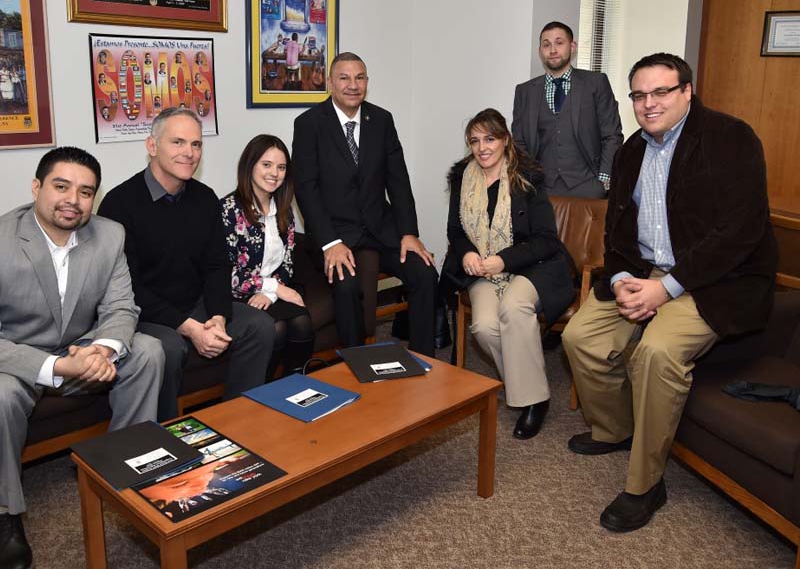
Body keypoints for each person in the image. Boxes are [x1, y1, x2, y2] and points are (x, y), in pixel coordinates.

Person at [561, 53, 777, 532]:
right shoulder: (631, 151)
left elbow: (740, 231)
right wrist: (620, 281)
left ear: (687, 91)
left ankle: (645, 484)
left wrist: (666, 290)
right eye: (639, 95)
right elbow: (615, 232)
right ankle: (617, 430)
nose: (648, 103)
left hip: (715, 280)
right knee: (581, 338)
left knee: (656, 353)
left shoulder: (730, 139)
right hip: (643, 271)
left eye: (661, 92)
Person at [0, 147, 163, 569]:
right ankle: (4, 514)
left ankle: (121, 473)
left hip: (75, 349)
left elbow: (121, 309)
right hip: (0, 357)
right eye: (61, 186)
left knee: (149, 350)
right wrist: (60, 367)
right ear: (37, 187)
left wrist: (102, 349)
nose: (72, 200)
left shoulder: (109, 235)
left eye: (85, 192)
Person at [99, 107, 274, 421]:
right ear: (152, 146)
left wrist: (219, 317)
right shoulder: (119, 203)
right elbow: (128, 287)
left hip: (196, 304)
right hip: (145, 313)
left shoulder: (204, 198)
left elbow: (217, 266)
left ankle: (239, 421)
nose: (189, 153)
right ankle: (165, 436)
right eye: (178, 142)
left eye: (196, 144)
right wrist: (190, 329)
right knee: (168, 349)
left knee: (258, 326)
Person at [292, 52, 438, 355]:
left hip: (381, 230)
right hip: (337, 235)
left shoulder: (382, 120)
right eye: (344, 78)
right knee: (347, 288)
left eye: (359, 77)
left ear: (367, 83)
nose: (352, 85)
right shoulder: (309, 124)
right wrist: (329, 242)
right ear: (330, 82)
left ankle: (426, 361)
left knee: (425, 274)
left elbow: (398, 180)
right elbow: (306, 190)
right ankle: (356, 366)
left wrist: (409, 232)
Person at [443, 108, 574, 439]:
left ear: (504, 140)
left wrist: (503, 260)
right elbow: (455, 231)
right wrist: (468, 253)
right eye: (474, 141)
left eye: (489, 139)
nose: (482, 147)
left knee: (514, 309)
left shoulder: (526, 177)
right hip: (481, 269)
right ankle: (524, 382)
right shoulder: (463, 178)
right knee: (484, 326)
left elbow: (546, 240)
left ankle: (534, 401)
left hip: (532, 266)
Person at [221, 135, 314, 377]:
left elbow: (288, 263)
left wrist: (271, 293)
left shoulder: (284, 209)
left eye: (281, 167)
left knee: (302, 322)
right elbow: (225, 274)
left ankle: (296, 386)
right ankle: (264, 393)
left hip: (271, 292)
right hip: (237, 296)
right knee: (278, 328)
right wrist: (273, 287)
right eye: (266, 164)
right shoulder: (229, 210)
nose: (275, 173)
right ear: (249, 166)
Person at [512, 21, 623, 198]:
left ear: (572, 47)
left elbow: (612, 135)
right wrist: (529, 179)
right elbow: (519, 141)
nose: (553, 50)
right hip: (542, 189)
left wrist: (603, 181)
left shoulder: (596, 83)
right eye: (546, 44)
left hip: (588, 186)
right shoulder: (525, 91)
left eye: (559, 42)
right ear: (540, 51)